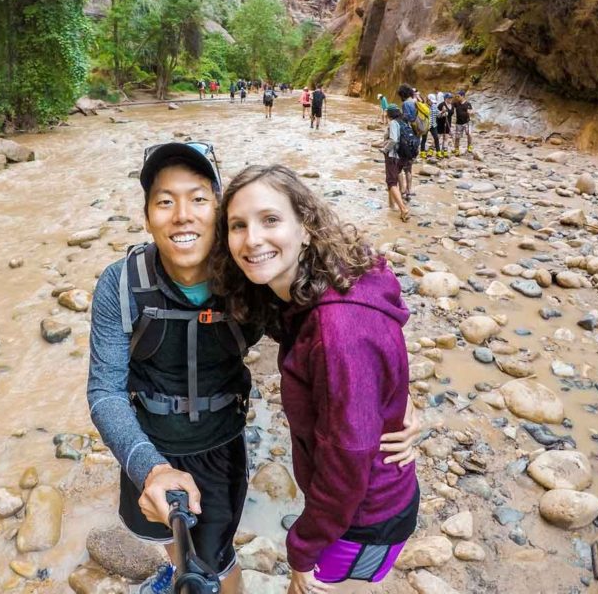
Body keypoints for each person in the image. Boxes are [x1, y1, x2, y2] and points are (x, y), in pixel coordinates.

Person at [86, 143, 420, 594]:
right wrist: (150, 468)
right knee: (167, 533)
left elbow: (332, 330)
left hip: (218, 448)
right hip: (146, 442)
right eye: (165, 201)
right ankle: (179, 564)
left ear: (218, 213)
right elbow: (105, 390)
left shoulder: (251, 275)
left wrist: (397, 398)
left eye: (199, 199)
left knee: (216, 558)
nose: (182, 214)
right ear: (147, 217)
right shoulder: (122, 283)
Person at [212, 165, 419, 594]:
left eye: (270, 220)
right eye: (238, 225)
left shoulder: (335, 327)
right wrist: (401, 402)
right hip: (375, 501)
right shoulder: (326, 282)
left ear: (305, 227)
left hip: (363, 517)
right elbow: (380, 358)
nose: (252, 239)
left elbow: (347, 458)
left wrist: (302, 548)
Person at [383, 104, 410, 222]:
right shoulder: (403, 121)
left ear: (389, 114)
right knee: (392, 179)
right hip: (403, 156)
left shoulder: (393, 123)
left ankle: (403, 209)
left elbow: (393, 139)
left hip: (393, 156)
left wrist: (385, 149)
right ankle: (391, 204)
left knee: (391, 182)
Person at [451, 90, 473, 155]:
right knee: (457, 137)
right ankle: (456, 149)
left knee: (469, 134)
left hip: (467, 122)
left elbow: (471, 111)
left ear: (462, 96)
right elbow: (450, 106)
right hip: (458, 123)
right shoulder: (456, 103)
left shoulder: (468, 104)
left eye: (458, 96)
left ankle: (469, 146)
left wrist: (470, 112)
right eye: (457, 96)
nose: (457, 97)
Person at [435, 93, 452, 159]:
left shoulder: (452, 105)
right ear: (445, 98)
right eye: (449, 98)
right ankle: (431, 149)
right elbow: (437, 115)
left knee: (446, 138)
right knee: (437, 137)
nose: (450, 99)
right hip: (440, 124)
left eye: (451, 98)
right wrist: (442, 112)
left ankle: (445, 151)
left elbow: (451, 114)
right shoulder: (441, 105)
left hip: (448, 123)